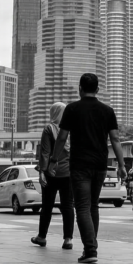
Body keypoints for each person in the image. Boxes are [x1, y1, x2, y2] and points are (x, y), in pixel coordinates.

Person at [54, 73, 127, 264]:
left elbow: (62, 138)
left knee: (83, 208)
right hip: (100, 165)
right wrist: (121, 165)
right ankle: (91, 247)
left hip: (79, 165)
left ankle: (90, 250)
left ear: (79, 88)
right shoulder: (107, 111)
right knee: (93, 206)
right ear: (97, 89)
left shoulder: (71, 109)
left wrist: (53, 160)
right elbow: (116, 139)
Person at [32, 102, 74, 249]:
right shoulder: (71, 130)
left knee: (47, 206)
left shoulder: (49, 128)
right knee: (68, 206)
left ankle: (42, 237)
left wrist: (42, 172)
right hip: (68, 173)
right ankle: (68, 239)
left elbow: (45, 153)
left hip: (52, 172)